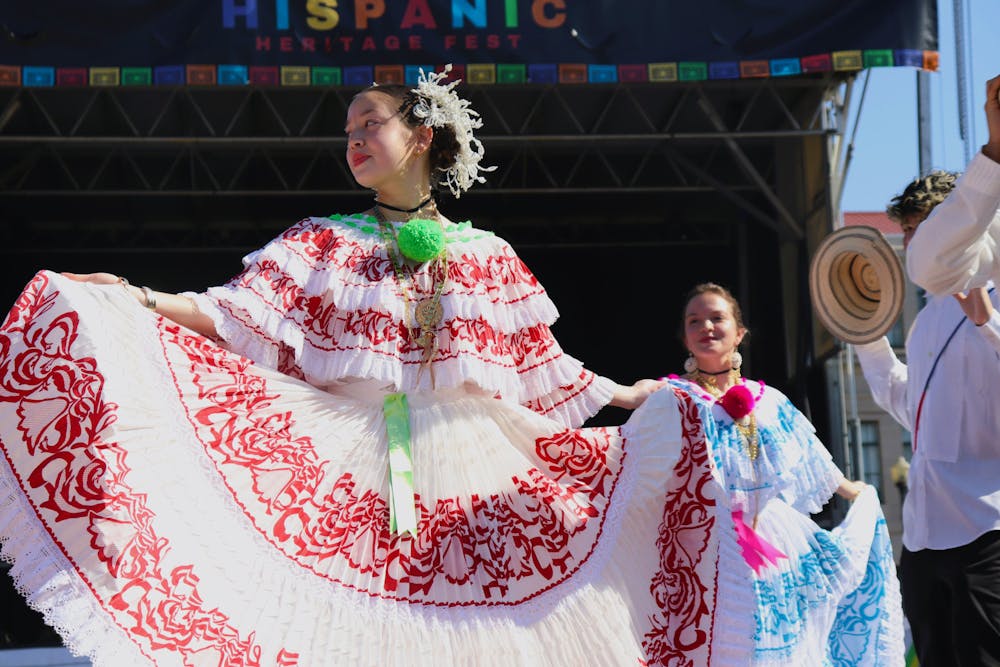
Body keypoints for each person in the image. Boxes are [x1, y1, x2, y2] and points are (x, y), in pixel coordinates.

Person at [0, 66, 684, 666]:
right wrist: (137, 295)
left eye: (369, 123)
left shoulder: (487, 253)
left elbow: (541, 363)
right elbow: (234, 313)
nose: (353, 139)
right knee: (345, 628)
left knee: (467, 631)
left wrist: (628, 394)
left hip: (465, 465)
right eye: (347, 130)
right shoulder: (324, 241)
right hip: (348, 457)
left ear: (420, 136)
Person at [623, 282, 904, 665]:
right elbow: (633, 439)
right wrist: (610, 391)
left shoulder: (770, 402)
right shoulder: (672, 397)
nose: (706, 326)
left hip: (773, 550)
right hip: (704, 550)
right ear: (685, 338)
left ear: (739, 333)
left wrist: (856, 492)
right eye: (695, 321)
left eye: (716, 318)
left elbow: (813, 461)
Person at [852, 73, 1000, 667]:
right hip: (922, 535)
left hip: (989, 531)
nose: (912, 242)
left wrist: (989, 324)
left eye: (919, 227)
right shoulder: (931, 316)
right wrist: (866, 337)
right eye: (909, 231)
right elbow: (904, 400)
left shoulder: (990, 291)